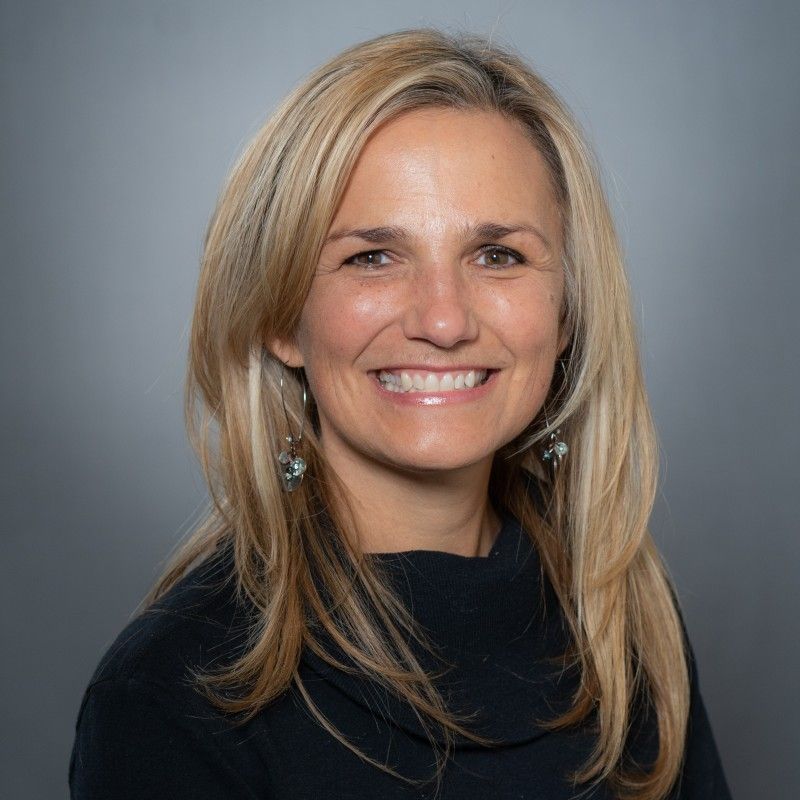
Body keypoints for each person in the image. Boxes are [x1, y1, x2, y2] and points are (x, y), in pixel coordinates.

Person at [69, 27, 732, 800]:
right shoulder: (174, 696)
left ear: (566, 313)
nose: (444, 321)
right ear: (282, 316)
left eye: (498, 255)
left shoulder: (626, 626)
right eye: (373, 257)